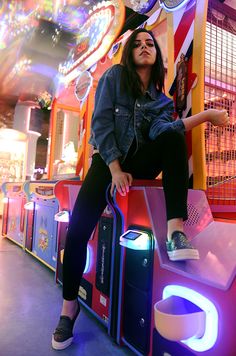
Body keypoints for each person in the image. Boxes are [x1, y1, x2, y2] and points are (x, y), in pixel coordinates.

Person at [52, 28, 229, 350]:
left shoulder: (160, 100)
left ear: (156, 55)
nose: (145, 47)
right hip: (108, 160)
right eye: (138, 43)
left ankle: (176, 230)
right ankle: (69, 308)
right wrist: (115, 169)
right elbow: (102, 124)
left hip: (142, 161)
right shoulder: (115, 77)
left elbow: (167, 130)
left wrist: (205, 116)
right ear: (130, 52)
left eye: (150, 43)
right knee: (77, 233)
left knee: (173, 137)